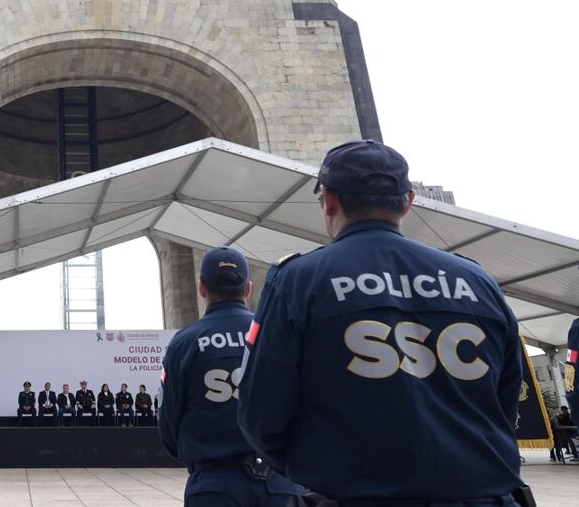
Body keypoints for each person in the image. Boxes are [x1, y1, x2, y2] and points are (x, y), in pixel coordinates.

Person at [238, 139, 532, 505]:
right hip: (481, 496)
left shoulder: (298, 280)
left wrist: (319, 470)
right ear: (408, 202)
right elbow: (505, 395)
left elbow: (261, 413)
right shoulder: (476, 279)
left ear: (328, 199)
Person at [160, 246, 302, 506]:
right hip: (281, 484)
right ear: (247, 289)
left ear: (202, 288)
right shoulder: (278, 334)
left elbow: (169, 426)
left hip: (214, 486)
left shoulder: (184, 344)